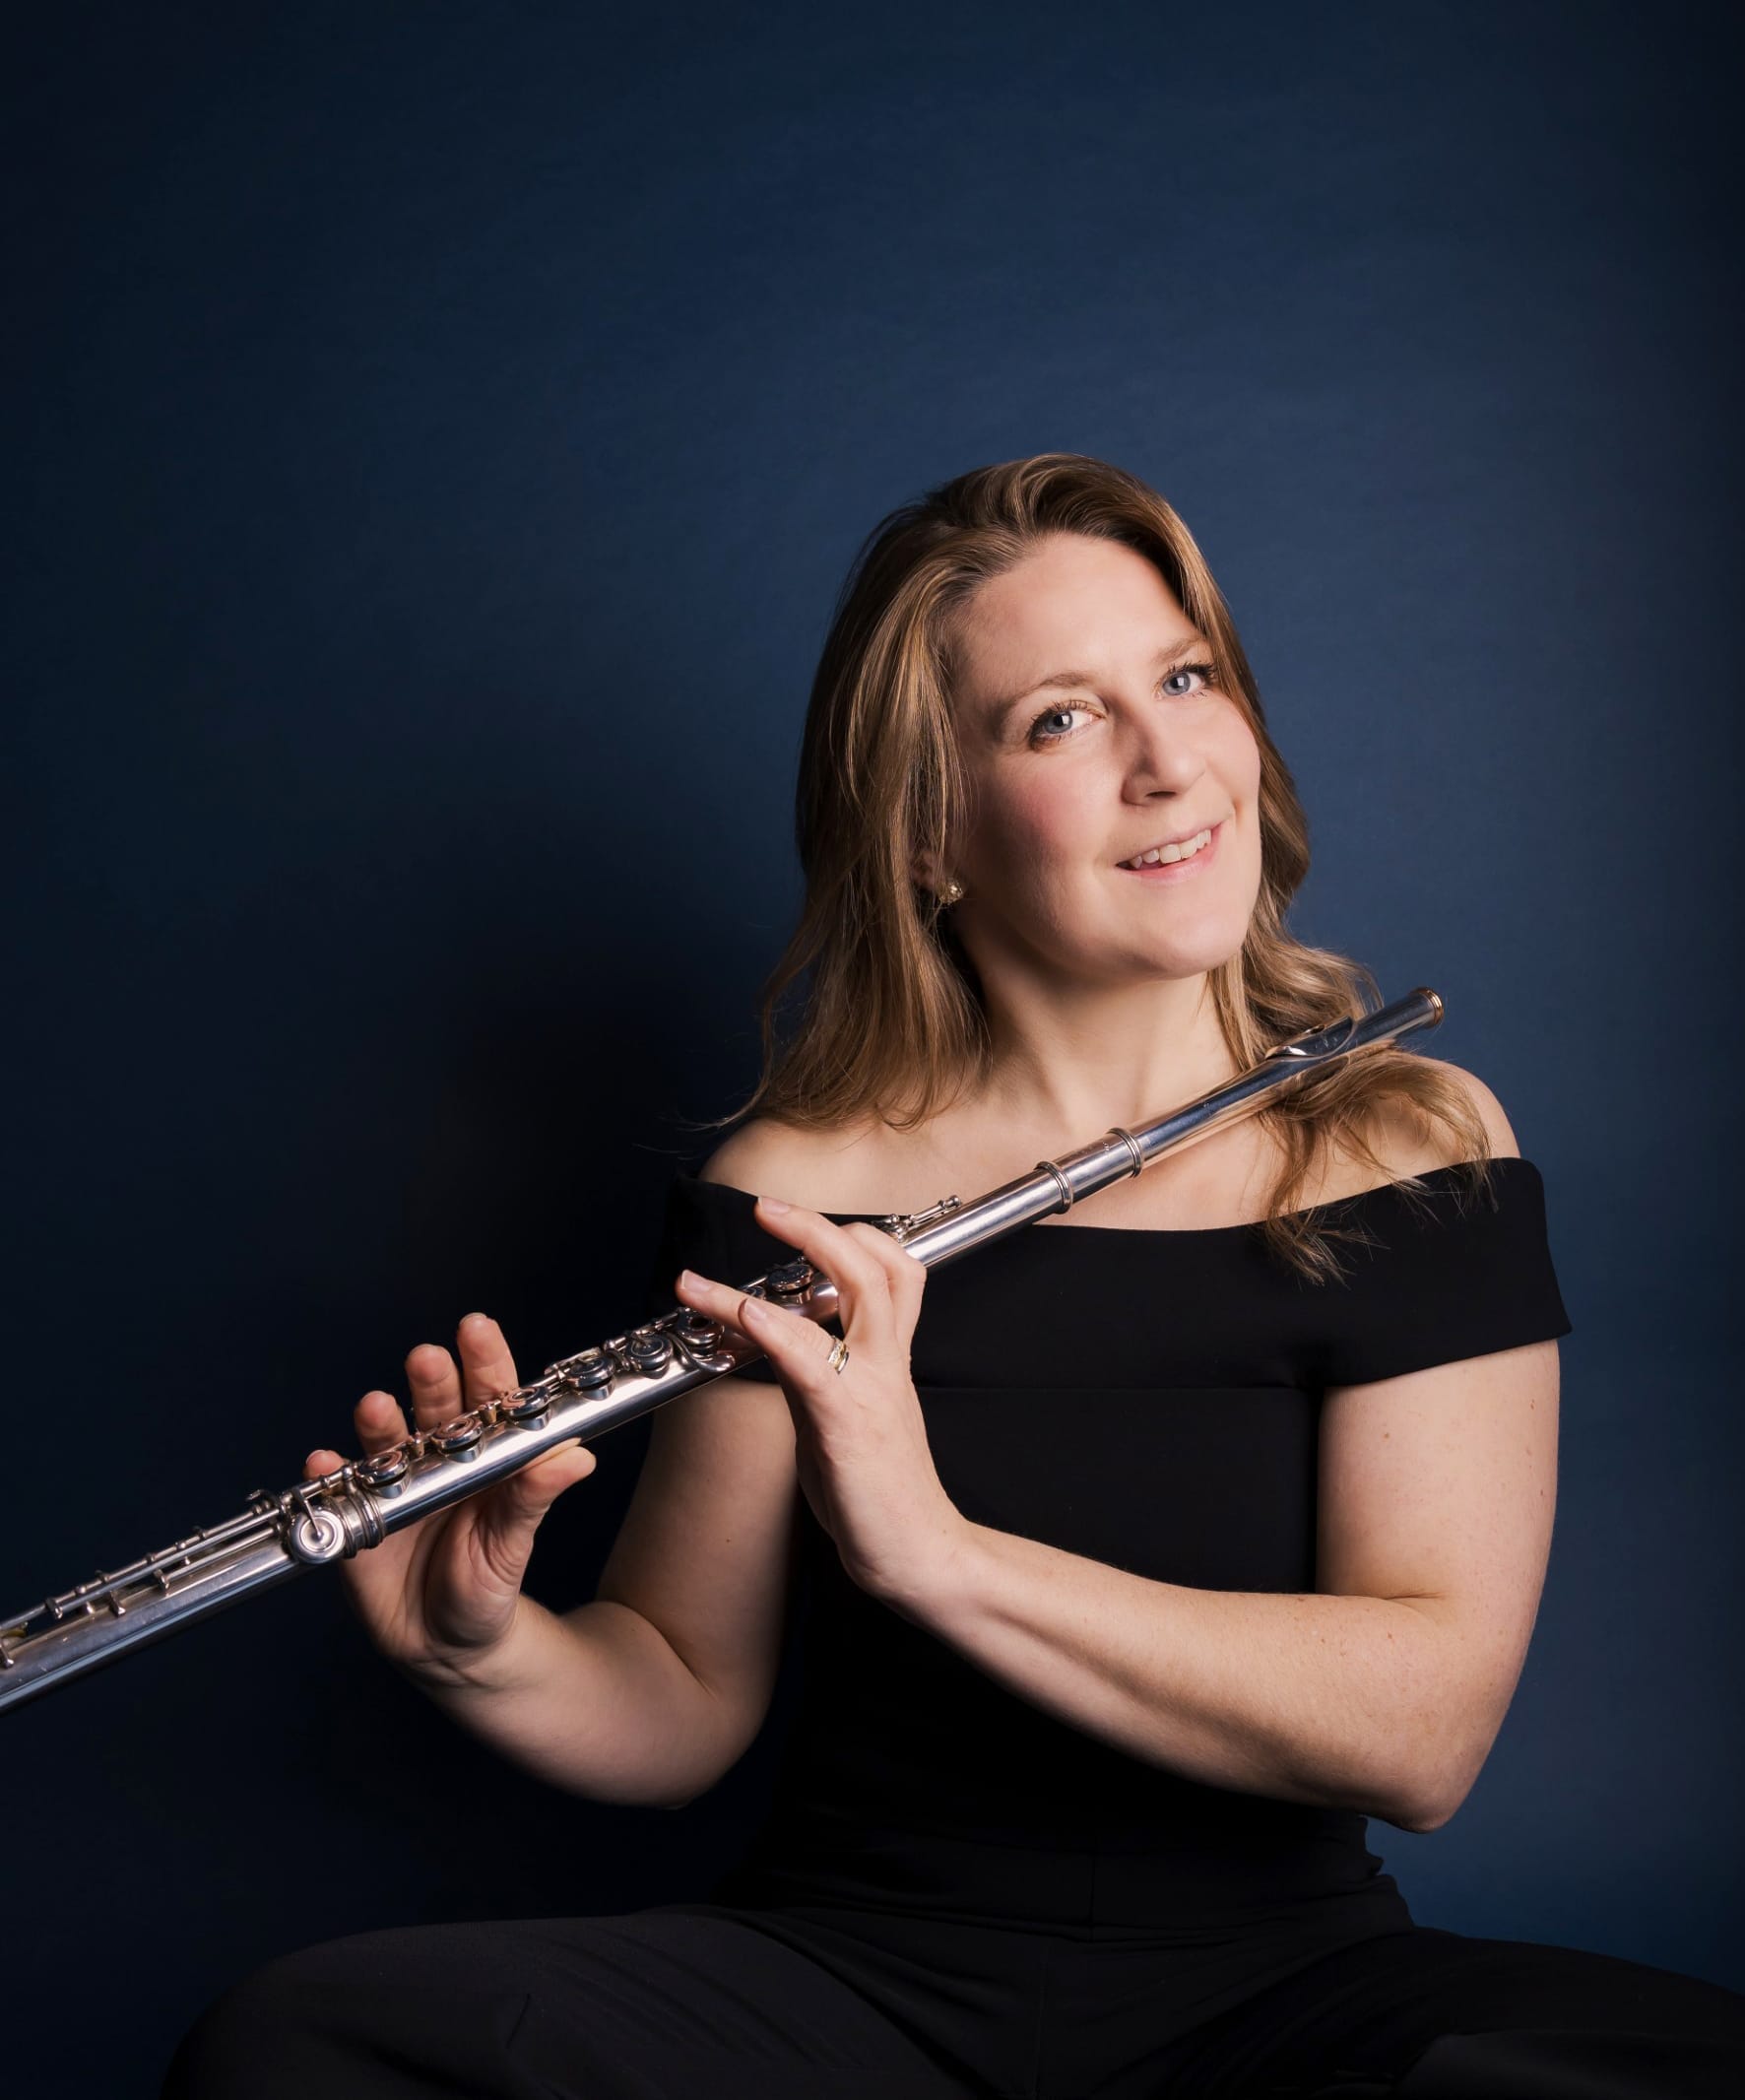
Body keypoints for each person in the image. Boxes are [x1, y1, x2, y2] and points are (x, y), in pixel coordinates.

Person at [162, 454, 1745, 2097]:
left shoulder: (1409, 1141)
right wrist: (483, 1652)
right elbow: (686, 1696)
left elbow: (1423, 1736)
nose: (1165, 762)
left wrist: (942, 1556)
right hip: (854, 1993)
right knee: (299, 2046)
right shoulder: (799, 1188)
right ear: (928, 833)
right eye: (1060, 719)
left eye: (1185, 677)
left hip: (1277, 1997)